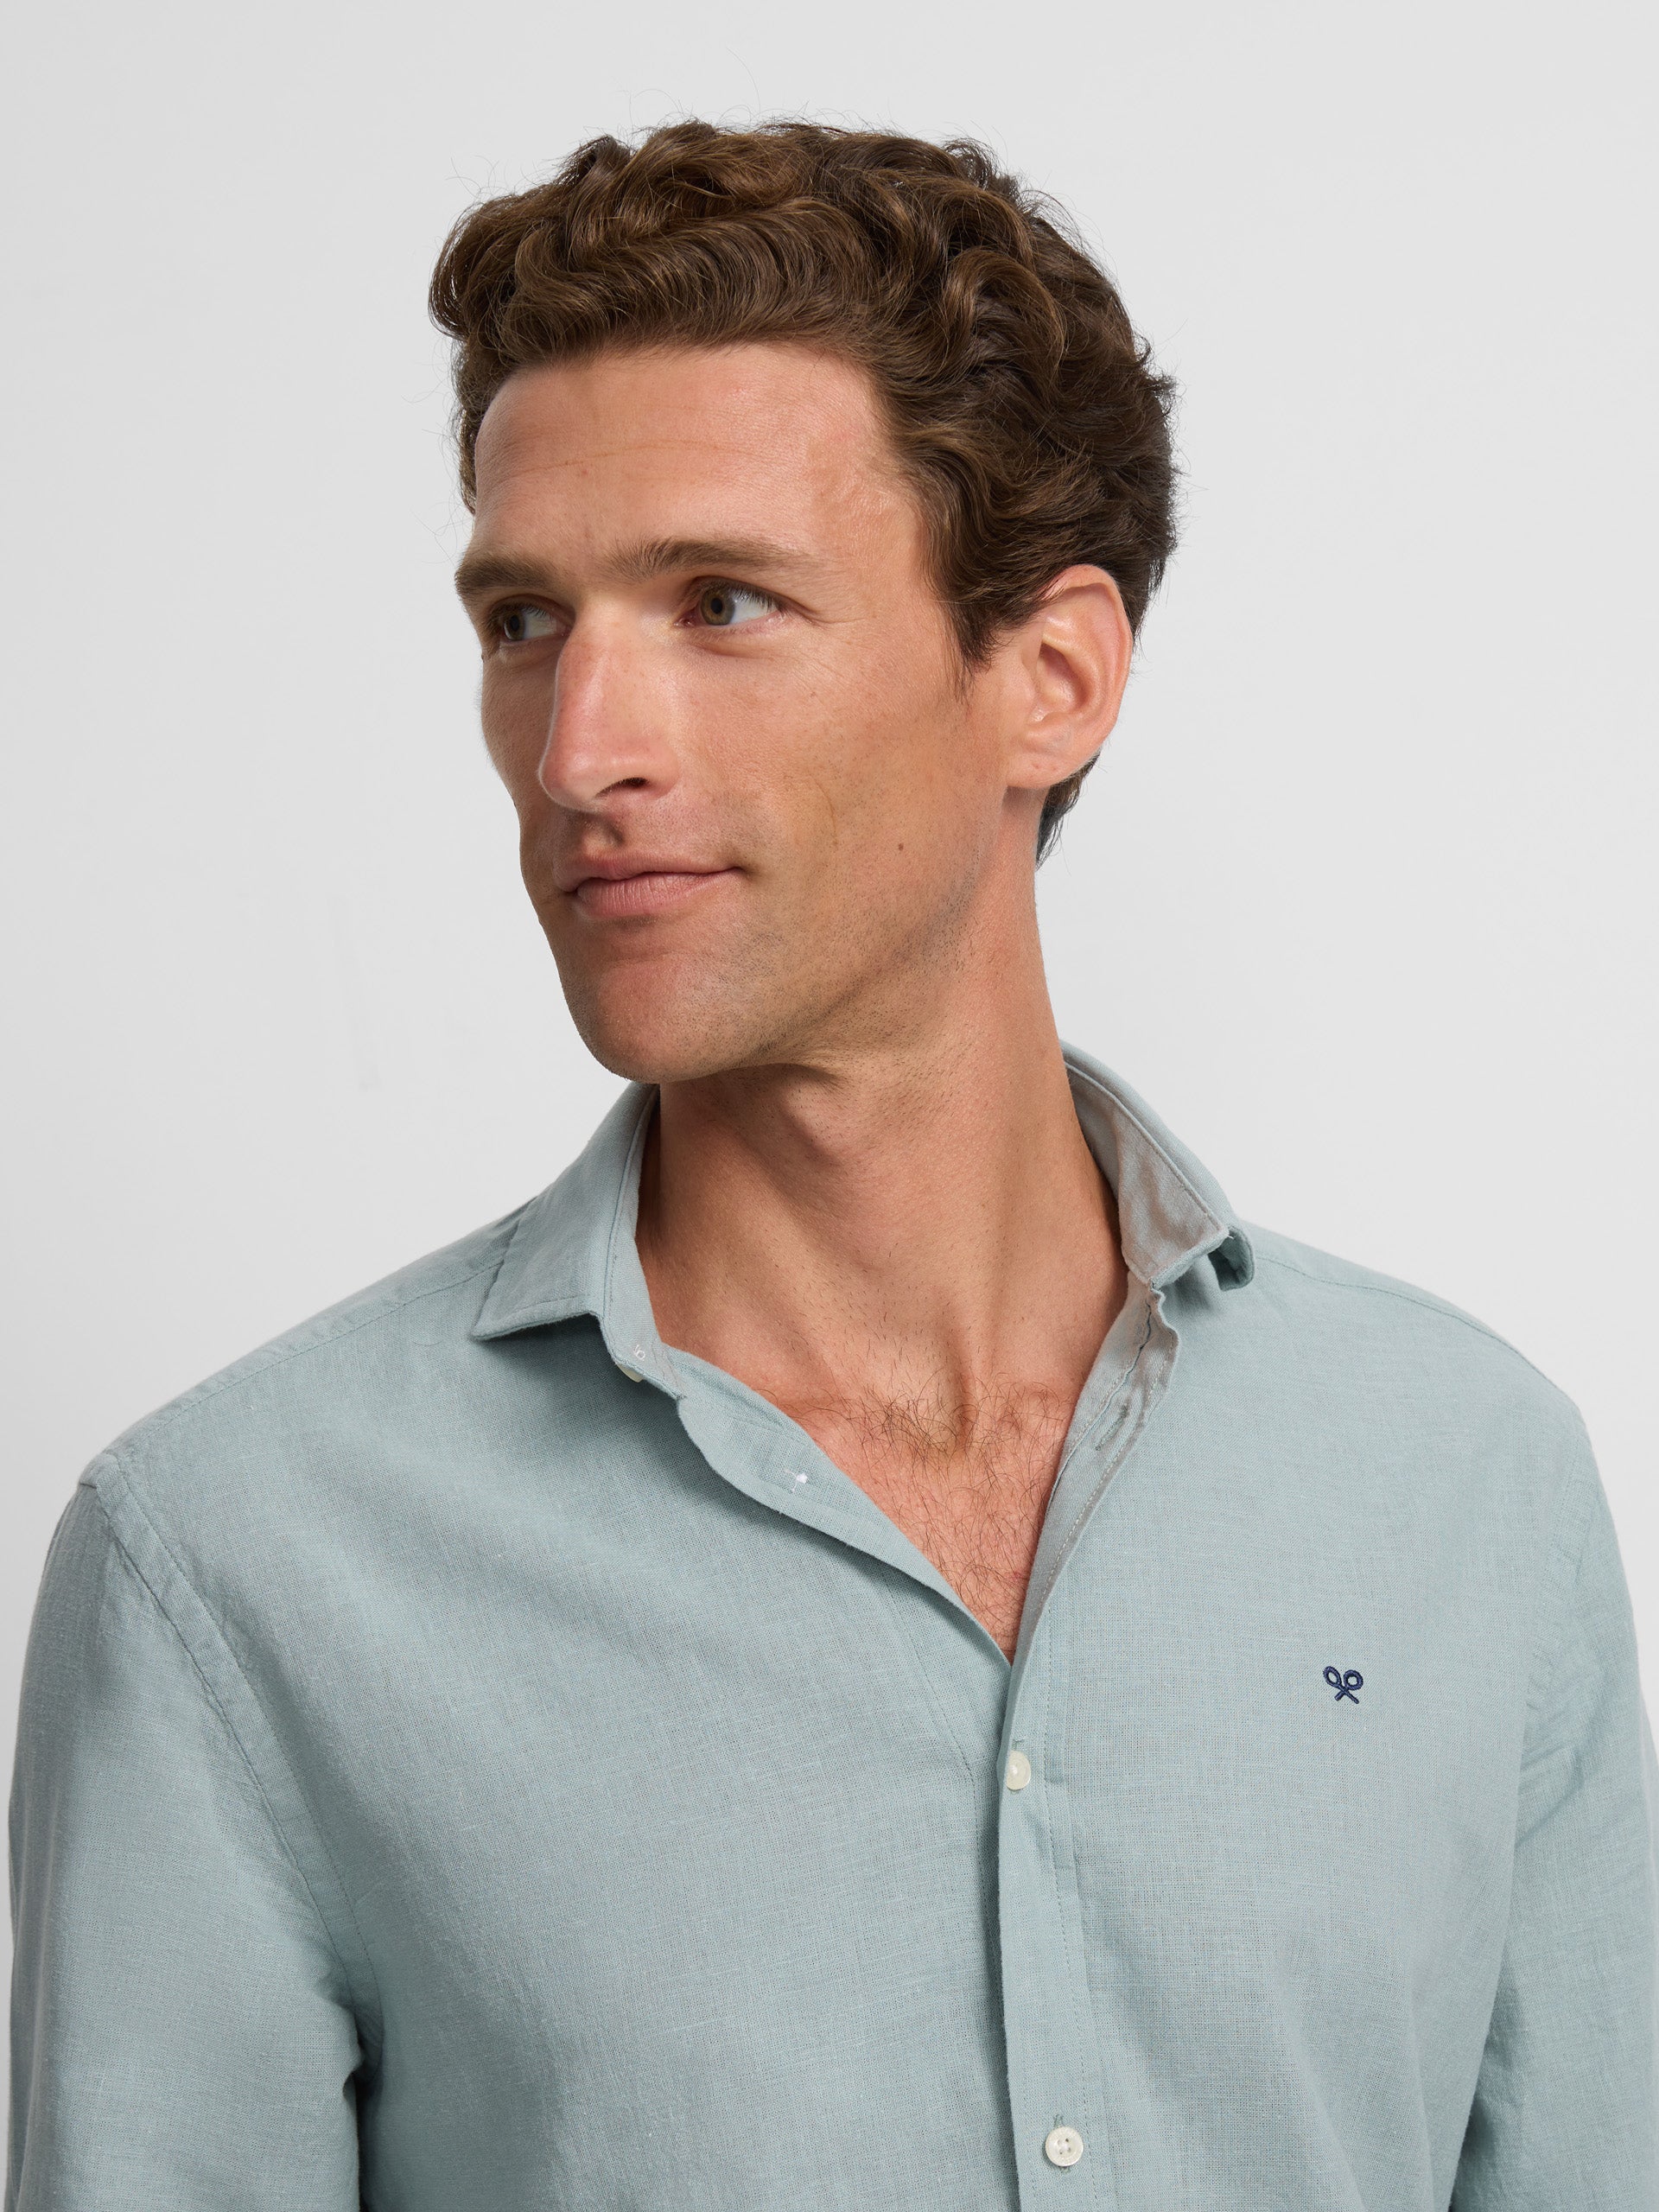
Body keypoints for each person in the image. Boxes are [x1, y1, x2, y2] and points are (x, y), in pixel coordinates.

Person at [8, 118, 1655, 2212]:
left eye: (722, 602)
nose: (582, 746)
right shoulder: (236, 1562)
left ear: (1050, 678)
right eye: (524, 618)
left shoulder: (1467, 1480)